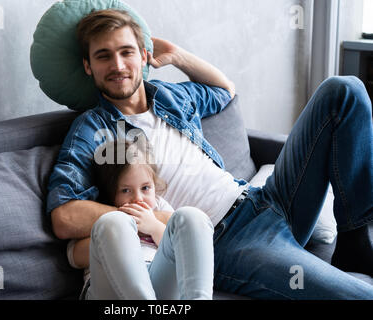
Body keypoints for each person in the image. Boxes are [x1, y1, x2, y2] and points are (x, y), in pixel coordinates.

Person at [46, 9, 373, 299]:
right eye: (103, 56)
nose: (117, 65)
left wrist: (177, 56)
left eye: (126, 52)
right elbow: (65, 217)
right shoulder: (92, 129)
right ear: (88, 66)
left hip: (263, 199)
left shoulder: (171, 96)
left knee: (343, 90)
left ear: (144, 56)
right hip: (228, 242)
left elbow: (225, 91)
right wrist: (157, 221)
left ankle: (354, 237)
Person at [66, 140, 214, 299]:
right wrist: (125, 234)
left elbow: (180, 248)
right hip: (110, 287)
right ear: (109, 194)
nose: (138, 198)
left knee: (191, 216)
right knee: (114, 222)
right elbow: (74, 257)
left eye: (145, 188)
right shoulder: (100, 214)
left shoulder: (158, 207)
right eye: (125, 190)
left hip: (159, 280)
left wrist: (153, 226)